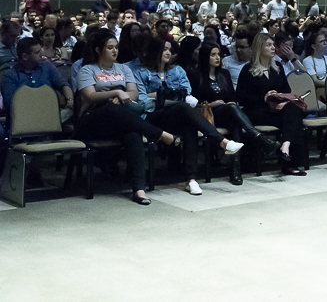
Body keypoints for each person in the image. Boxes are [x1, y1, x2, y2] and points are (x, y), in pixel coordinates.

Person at [74, 30, 178, 205]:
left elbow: (134, 93)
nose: (115, 51)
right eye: (110, 48)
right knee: (110, 108)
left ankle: (139, 189)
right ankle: (159, 134)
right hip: (91, 122)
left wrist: (121, 96)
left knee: (133, 133)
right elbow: (90, 96)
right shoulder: (87, 69)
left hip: (119, 119)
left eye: (116, 47)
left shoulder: (123, 68)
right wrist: (115, 92)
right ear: (99, 50)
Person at [134, 37, 243, 195]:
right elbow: (144, 102)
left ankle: (191, 180)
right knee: (183, 108)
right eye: (164, 49)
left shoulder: (177, 70)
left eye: (169, 49)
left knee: (188, 120)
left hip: (176, 115)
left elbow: (188, 94)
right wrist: (172, 98)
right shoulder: (141, 73)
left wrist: (160, 96)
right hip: (153, 118)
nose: (168, 52)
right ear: (155, 51)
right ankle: (221, 141)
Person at [189, 44, 280, 185]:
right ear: (205, 57)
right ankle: (258, 138)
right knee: (232, 113)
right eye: (213, 55)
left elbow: (233, 96)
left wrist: (228, 103)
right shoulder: (195, 75)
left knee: (234, 119)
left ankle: (235, 170)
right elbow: (193, 103)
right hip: (208, 115)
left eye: (218, 54)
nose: (217, 58)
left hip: (226, 113)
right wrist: (213, 104)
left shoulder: (224, 74)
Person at [236, 33, 307, 175]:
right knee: (293, 120)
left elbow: (287, 90)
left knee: (294, 110)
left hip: (276, 109)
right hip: (257, 110)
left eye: (273, 45)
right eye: (268, 45)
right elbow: (241, 97)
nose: (273, 48)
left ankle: (285, 147)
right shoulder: (248, 70)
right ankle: (289, 164)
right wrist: (264, 97)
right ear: (259, 48)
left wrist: (278, 95)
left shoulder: (278, 67)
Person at [1, 37, 74, 124]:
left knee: (70, 114)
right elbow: (12, 106)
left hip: (49, 113)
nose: (42, 54)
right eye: (37, 52)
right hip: (24, 119)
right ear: (25, 56)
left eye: (40, 51)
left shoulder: (47, 66)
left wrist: (70, 101)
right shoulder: (9, 76)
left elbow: (63, 84)